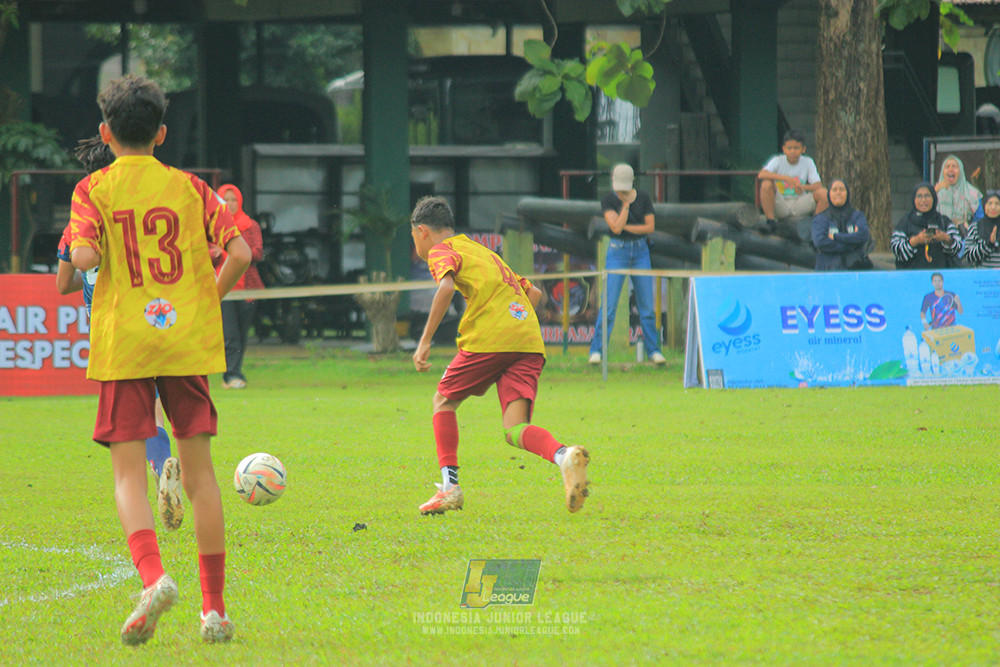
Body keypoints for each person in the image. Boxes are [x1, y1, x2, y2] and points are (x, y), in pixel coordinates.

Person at [65, 75, 251, 645]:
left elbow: (82, 255)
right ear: (162, 134)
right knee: (201, 478)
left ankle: (154, 577)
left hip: (126, 343)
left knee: (128, 474)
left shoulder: (92, 189)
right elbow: (240, 251)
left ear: (104, 132)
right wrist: (203, 304)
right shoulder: (194, 189)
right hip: (183, 341)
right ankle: (214, 611)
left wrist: (85, 247)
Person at [409, 195, 590, 516]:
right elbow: (534, 293)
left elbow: (446, 288)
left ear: (422, 231)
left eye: (413, 237)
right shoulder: (483, 252)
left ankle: (450, 489)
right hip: (528, 339)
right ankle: (565, 456)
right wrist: (511, 323)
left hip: (491, 338)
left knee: (443, 401)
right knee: (514, 429)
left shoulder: (441, 250)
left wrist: (424, 342)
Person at [56, 135, 181, 531]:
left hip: (108, 336)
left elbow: (63, 284)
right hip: (150, 322)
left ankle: (147, 489)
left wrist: (95, 276)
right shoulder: (140, 217)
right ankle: (164, 465)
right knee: (156, 405)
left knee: (130, 423)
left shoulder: (78, 225)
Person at [587, 164, 667, 366]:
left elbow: (650, 227)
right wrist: (626, 206)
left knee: (646, 305)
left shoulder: (645, 197)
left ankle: (653, 350)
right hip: (617, 251)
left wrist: (628, 227)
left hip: (640, 251)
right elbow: (615, 227)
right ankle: (597, 350)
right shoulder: (609, 199)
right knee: (610, 305)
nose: (620, 192)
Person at [215, 184, 265, 390]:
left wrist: (236, 251)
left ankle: (235, 371)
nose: (230, 203)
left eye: (233, 199)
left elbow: (257, 253)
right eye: (225, 199)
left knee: (243, 334)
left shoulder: (250, 225)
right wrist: (226, 253)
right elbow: (207, 252)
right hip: (223, 288)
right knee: (230, 334)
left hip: (247, 289)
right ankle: (231, 375)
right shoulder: (213, 225)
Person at [758, 129, 828, 233]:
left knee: (824, 193)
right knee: (766, 184)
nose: (792, 152)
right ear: (784, 149)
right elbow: (762, 174)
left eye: (796, 148)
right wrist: (786, 178)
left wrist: (803, 187)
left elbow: (818, 185)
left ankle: (815, 227)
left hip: (799, 203)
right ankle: (770, 222)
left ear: (803, 149)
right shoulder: (777, 161)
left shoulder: (808, 162)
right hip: (780, 204)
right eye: (789, 148)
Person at [891, 183, 962, 269]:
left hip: (940, 278)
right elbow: (896, 249)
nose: (923, 200)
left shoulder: (943, 221)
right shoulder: (906, 222)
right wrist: (916, 240)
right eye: (919, 196)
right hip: (912, 277)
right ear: (914, 199)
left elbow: (958, 246)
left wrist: (945, 238)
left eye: (927, 196)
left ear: (934, 199)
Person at [810, 179, 871, 271]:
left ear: (847, 193)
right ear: (829, 194)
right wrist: (852, 244)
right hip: (828, 269)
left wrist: (836, 236)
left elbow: (863, 235)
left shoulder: (857, 216)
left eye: (842, 189)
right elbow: (820, 242)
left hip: (854, 269)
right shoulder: (820, 219)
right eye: (834, 190)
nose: (838, 192)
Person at [934, 155, 981, 237]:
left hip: (965, 237)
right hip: (940, 236)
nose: (950, 169)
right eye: (947, 167)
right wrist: (934, 192)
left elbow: (980, 217)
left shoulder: (972, 192)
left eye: (954, 166)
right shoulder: (935, 192)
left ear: (961, 171)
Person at [964, 190, 1000, 268]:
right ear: (984, 206)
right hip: (983, 278)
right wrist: (988, 245)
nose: (993, 207)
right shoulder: (974, 228)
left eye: (997, 204)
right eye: (990, 203)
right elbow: (968, 257)